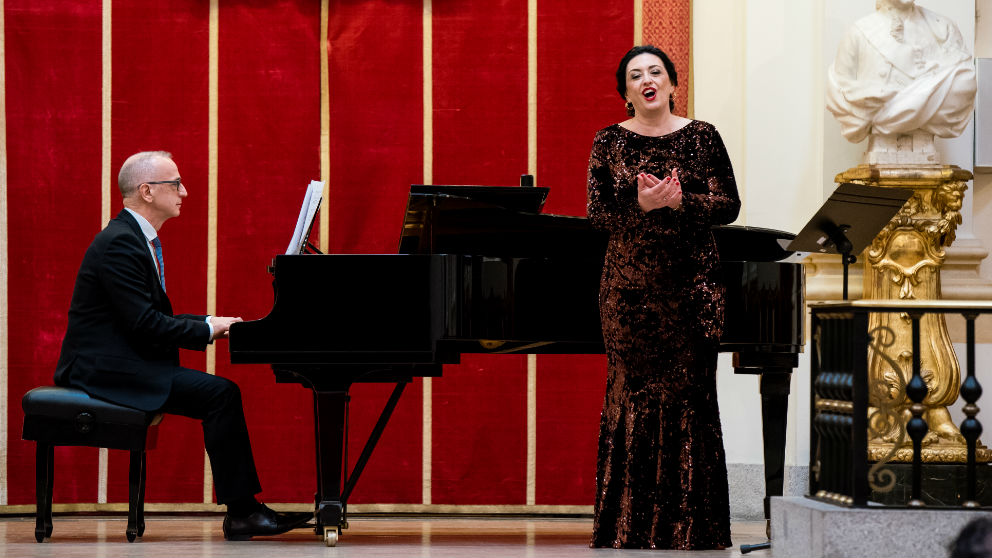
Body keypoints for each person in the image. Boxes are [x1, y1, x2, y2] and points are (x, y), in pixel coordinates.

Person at [54, 151, 310, 540]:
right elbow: (144, 324)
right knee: (219, 393)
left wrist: (212, 323)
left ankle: (243, 512)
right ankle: (242, 513)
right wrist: (208, 331)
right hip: (102, 369)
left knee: (219, 393)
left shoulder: (133, 238)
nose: (184, 192)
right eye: (175, 184)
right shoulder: (120, 244)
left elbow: (147, 318)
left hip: (123, 360)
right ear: (147, 191)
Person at [586, 45, 740, 550]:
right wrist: (641, 202)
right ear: (626, 92)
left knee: (693, 398)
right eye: (635, 75)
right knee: (631, 396)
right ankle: (626, 528)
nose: (647, 79)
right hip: (629, 293)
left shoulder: (703, 136)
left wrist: (681, 200)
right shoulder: (608, 141)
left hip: (694, 289)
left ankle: (695, 529)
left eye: (656, 71)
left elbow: (729, 205)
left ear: (673, 84)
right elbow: (598, 214)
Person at [826, 0, 976, 155]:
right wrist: (872, 94)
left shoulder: (943, 29)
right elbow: (839, 89)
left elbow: (964, 83)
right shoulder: (859, 32)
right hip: (879, 152)